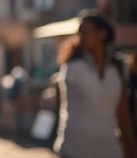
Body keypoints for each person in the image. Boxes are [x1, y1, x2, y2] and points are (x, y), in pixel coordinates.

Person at [53, 10, 137, 158]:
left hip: (110, 150)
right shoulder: (72, 67)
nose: (80, 37)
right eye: (79, 32)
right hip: (74, 149)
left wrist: (131, 150)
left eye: (85, 32)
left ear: (102, 34)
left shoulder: (119, 67)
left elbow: (123, 114)